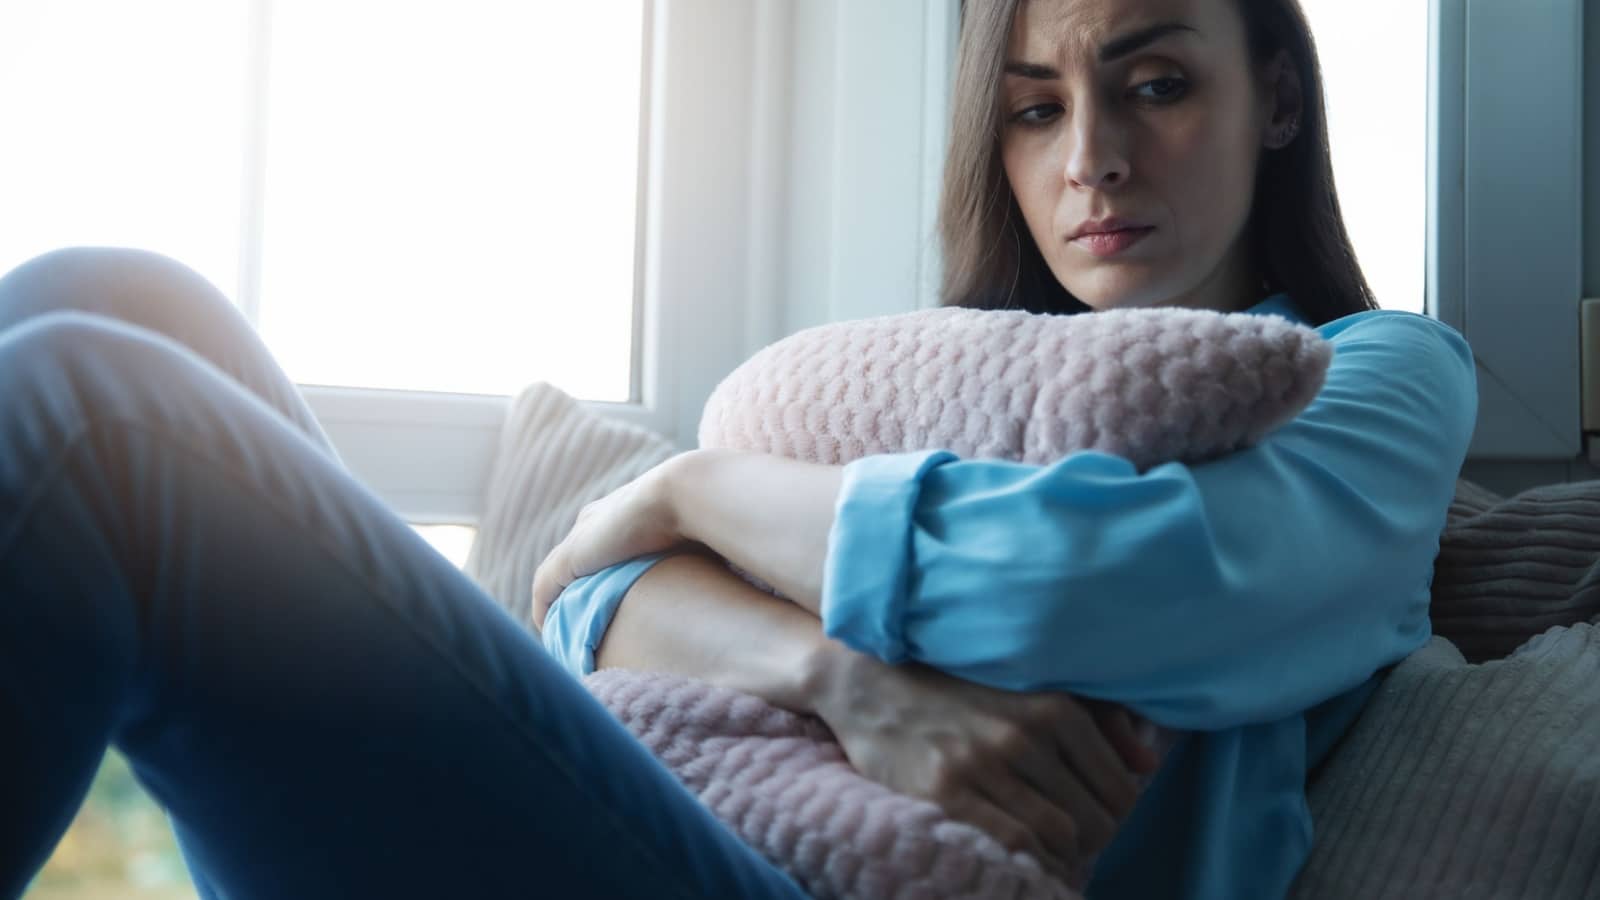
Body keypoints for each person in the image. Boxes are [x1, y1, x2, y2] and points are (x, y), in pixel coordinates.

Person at [0, 4, 1473, 900]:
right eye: (1035, 108)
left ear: (1275, 95)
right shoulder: (937, 372)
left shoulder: (1376, 377)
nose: (1089, 154)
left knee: (99, 408)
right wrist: (833, 676)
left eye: (1155, 83)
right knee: (117, 296)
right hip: (677, 822)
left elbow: (1101, 590)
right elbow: (586, 612)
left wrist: (690, 491)